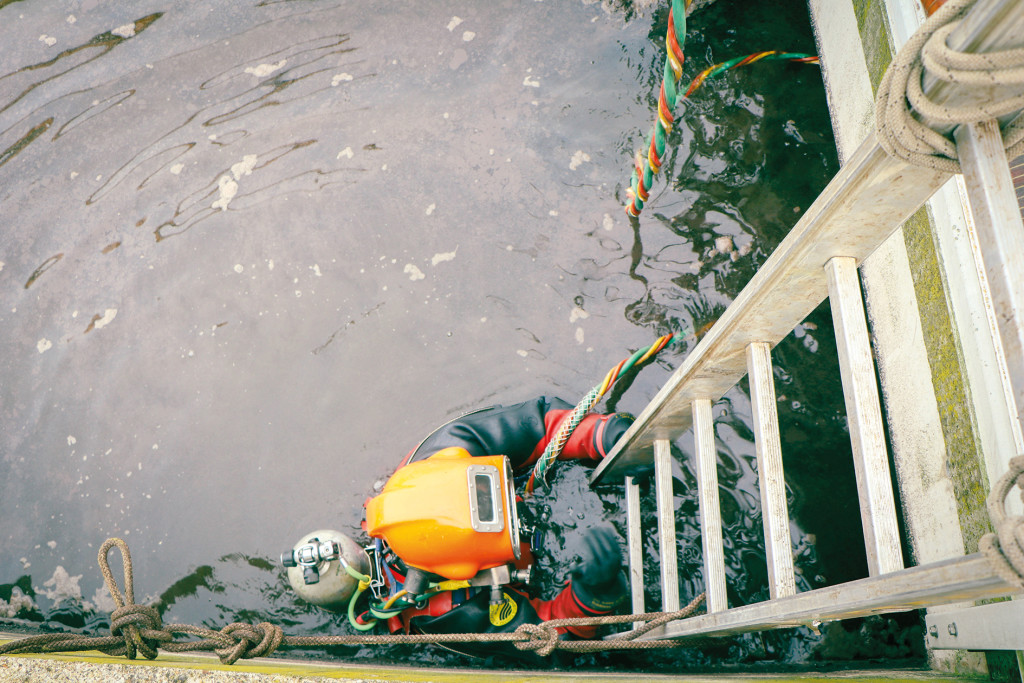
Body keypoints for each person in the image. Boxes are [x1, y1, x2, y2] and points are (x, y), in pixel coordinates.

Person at [368, 396, 635, 655]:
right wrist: (595, 594)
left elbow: (537, 424)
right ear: (463, 571)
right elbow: (555, 635)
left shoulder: (449, 452)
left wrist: (602, 434)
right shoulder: (455, 615)